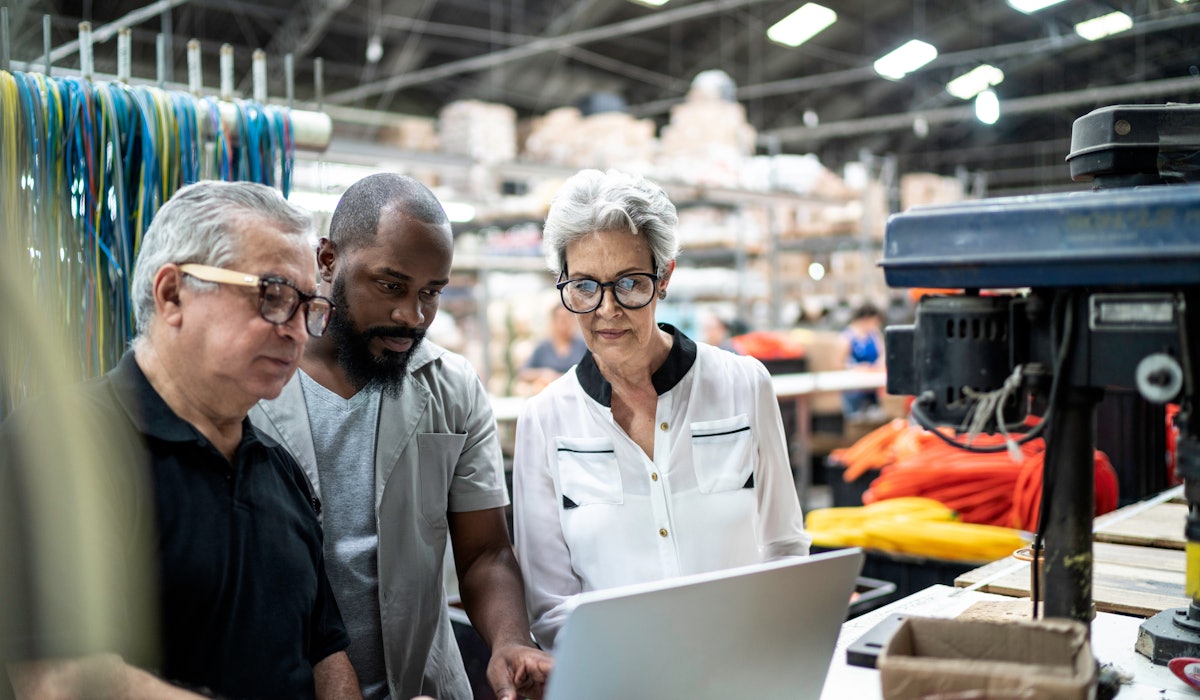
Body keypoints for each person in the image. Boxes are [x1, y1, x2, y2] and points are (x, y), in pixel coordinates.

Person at [2, 181, 359, 698]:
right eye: (274, 296)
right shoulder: (58, 450)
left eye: (309, 308)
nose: (298, 332)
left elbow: (325, 653)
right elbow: (66, 681)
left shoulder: (281, 472)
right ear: (172, 294)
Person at [250, 173, 552, 700]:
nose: (411, 317)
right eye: (390, 285)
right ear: (327, 260)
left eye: (431, 293)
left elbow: (485, 553)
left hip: (423, 687)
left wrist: (509, 640)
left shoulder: (452, 387)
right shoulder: (252, 383)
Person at [511, 169, 812, 650]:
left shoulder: (743, 386)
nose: (607, 309)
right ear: (562, 283)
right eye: (585, 287)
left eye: (629, 283)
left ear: (665, 275)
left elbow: (784, 548)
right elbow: (551, 605)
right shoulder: (546, 420)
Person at [517, 303, 589, 393]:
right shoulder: (543, 347)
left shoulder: (583, 345)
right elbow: (524, 372)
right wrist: (543, 373)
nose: (564, 322)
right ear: (553, 321)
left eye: (567, 317)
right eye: (560, 318)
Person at [835, 302, 886, 419]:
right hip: (854, 388)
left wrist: (878, 365)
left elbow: (882, 354)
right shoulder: (846, 338)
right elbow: (838, 364)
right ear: (866, 319)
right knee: (857, 418)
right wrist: (856, 368)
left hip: (873, 385)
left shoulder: (875, 335)